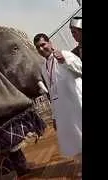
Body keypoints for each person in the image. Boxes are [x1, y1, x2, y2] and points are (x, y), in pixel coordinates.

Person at [33, 33, 82, 163]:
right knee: (74, 139)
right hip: (62, 110)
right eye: (38, 47)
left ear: (50, 43)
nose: (41, 49)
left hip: (77, 104)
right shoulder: (44, 68)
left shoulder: (65, 54)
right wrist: (54, 116)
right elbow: (51, 92)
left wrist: (64, 61)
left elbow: (80, 70)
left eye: (43, 44)